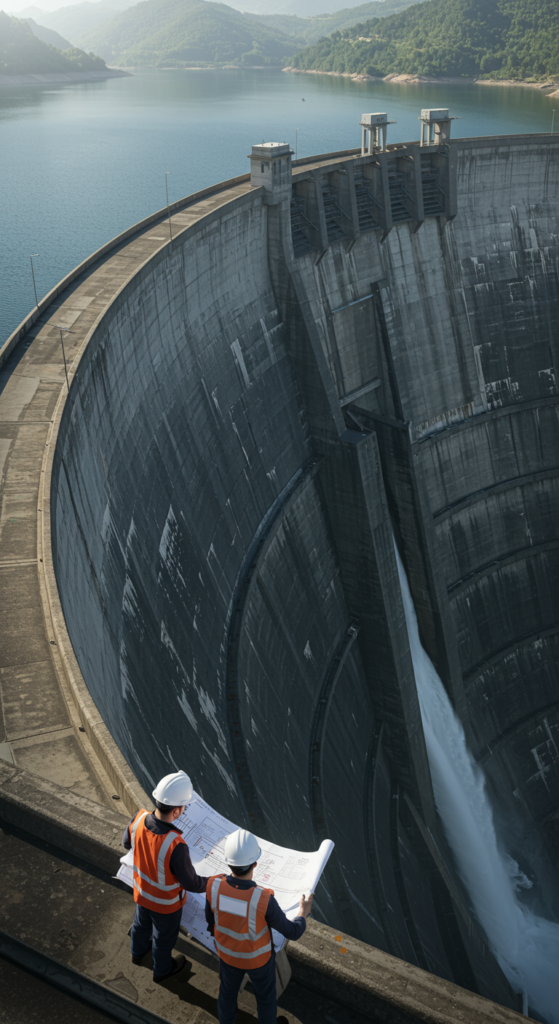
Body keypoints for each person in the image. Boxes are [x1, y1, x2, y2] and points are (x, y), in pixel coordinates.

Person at [206, 828, 314, 1024]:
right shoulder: (263, 899)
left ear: (228, 862)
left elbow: (210, 919)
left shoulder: (213, 886)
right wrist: (302, 914)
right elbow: (292, 932)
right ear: (255, 863)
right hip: (258, 962)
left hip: (227, 956)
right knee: (265, 999)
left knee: (227, 993)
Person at [123, 770, 206, 982]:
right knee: (163, 939)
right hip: (165, 905)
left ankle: (137, 953)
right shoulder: (175, 844)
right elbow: (192, 883)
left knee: (140, 925)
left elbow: (126, 843)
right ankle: (162, 971)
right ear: (176, 812)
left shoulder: (139, 818)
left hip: (142, 893)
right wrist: (213, 881)